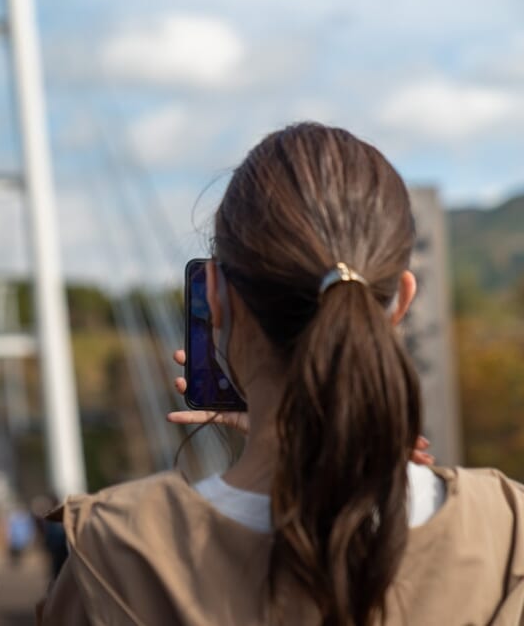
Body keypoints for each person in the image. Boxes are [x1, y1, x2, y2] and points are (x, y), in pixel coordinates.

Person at [39, 123, 524, 625]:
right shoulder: (507, 534)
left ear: (217, 297)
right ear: (401, 299)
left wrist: (287, 433)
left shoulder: (117, 553)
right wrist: (323, 432)